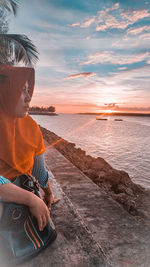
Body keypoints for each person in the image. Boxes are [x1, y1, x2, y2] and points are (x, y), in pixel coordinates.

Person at [0, 64, 59, 232]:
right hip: (20, 193)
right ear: (5, 91)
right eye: (22, 89)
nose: (28, 98)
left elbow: (39, 170)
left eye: (29, 90)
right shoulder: (32, 127)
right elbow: (39, 172)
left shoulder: (31, 127)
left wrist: (47, 194)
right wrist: (34, 199)